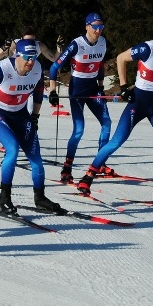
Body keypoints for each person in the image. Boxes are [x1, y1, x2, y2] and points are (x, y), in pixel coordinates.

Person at [75, 17, 153, 205]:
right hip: (139, 102)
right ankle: (87, 178)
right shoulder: (148, 48)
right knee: (117, 141)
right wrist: (124, 86)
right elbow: (120, 58)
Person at [0, 38, 64, 215]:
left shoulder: (36, 69)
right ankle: (4, 198)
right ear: (17, 55)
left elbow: (39, 92)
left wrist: (35, 116)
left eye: (34, 57)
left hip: (21, 114)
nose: (31, 62)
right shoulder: (1, 68)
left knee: (36, 158)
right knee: (12, 150)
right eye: (27, 57)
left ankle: (40, 197)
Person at [48, 13, 113, 183]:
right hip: (77, 90)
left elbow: (100, 65)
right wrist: (53, 91)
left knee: (106, 123)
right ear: (87, 26)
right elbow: (54, 68)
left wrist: (100, 86)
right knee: (79, 129)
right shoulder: (76, 45)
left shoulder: (103, 42)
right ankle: (67, 168)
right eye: (95, 27)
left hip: (93, 89)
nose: (98, 31)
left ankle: (100, 163)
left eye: (101, 27)